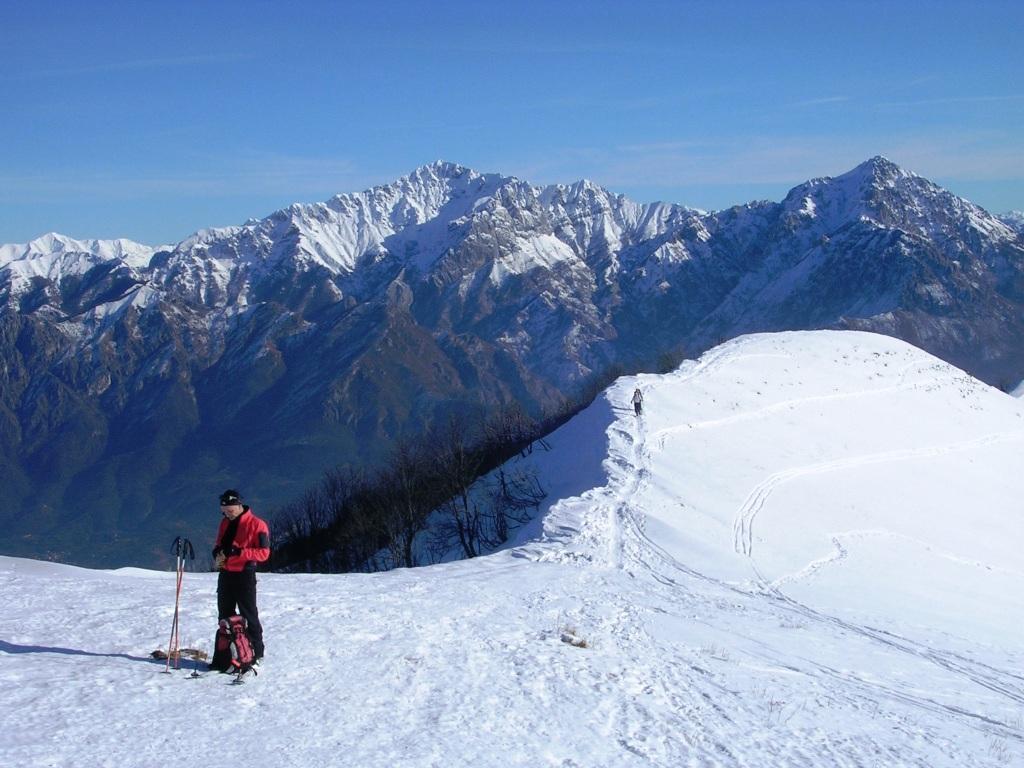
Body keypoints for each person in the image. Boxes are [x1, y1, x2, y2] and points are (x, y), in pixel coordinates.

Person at [212, 489, 270, 664]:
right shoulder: (224, 523)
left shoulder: (257, 524)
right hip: (225, 572)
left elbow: (264, 553)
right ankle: (226, 656)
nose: (227, 515)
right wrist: (217, 552)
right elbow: (219, 542)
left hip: (244, 574)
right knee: (224, 615)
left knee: (249, 614)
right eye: (224, 511)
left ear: (239, 506)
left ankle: (256, 653)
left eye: (230, 511)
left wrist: (240, 552)